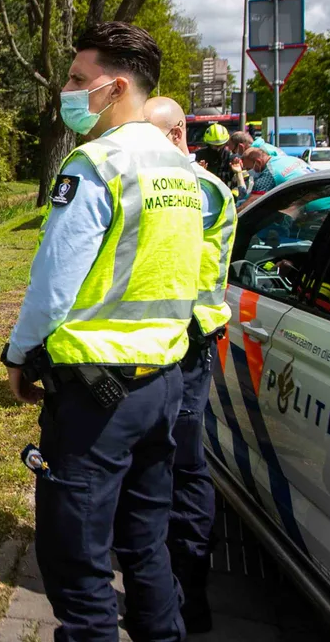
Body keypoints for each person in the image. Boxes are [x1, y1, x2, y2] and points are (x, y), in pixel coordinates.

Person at [3, 21, 203, 642]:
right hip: (164, 385)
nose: (66, 89)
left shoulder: (97, 164)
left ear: (114, 87)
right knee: (145, 546)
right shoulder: (181, 170)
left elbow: (53, 284)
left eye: (76, 79)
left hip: (97, 395)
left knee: (78, 562)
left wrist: (17, 354)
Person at [146, 97, 238, 633]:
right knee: (184, 460)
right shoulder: (210, 188)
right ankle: (181, 585)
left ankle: (173, 580)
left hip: (172, 342)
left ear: (178, 132)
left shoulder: (175, 188)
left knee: (170, 462)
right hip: (191, 337)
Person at [241, 146, 311, 196]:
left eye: (248, 168)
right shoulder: (290, 159)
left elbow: (250, 204)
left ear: (258, 162)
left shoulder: (269, 174)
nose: (247, 171)